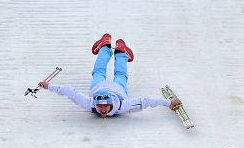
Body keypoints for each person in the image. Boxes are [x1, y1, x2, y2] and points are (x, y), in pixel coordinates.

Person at [39, 33, 182, 117]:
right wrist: (48, 86)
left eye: (104, 107)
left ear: (110, 104)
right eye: (101, 107)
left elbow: (146, 101)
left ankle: (108, 49)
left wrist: (169, 103)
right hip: (108, 88)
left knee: (103, 72)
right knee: (117, 74)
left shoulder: (121, 106)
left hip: (107, 88)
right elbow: (70, 92)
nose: (102, 110)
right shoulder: (93, 103)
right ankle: (118, 51)